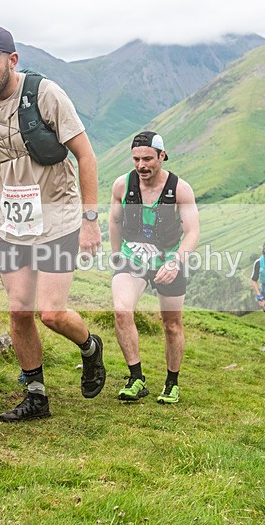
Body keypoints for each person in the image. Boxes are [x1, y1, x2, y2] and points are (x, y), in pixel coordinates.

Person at [0, 24, 103, 422]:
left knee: (51, 313)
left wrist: (90, 220)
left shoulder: (46, 94)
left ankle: (90, 347)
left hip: (58, 218)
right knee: (19, 311)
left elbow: (85, 157)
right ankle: (36, 395)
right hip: (12, 224)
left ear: (12, 60)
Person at [109, 131, 199, 404]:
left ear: (162, 155)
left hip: (169, 259)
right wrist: (116, 256)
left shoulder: (180, 189)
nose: (141, 165)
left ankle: (172, 383)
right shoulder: (122, 186)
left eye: (147, 158)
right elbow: (114, 221)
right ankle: (136, 378)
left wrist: (176, 261)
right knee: (122, 311)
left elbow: (193, 232)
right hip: (132, 257)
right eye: (136, 159)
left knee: (171, 324)